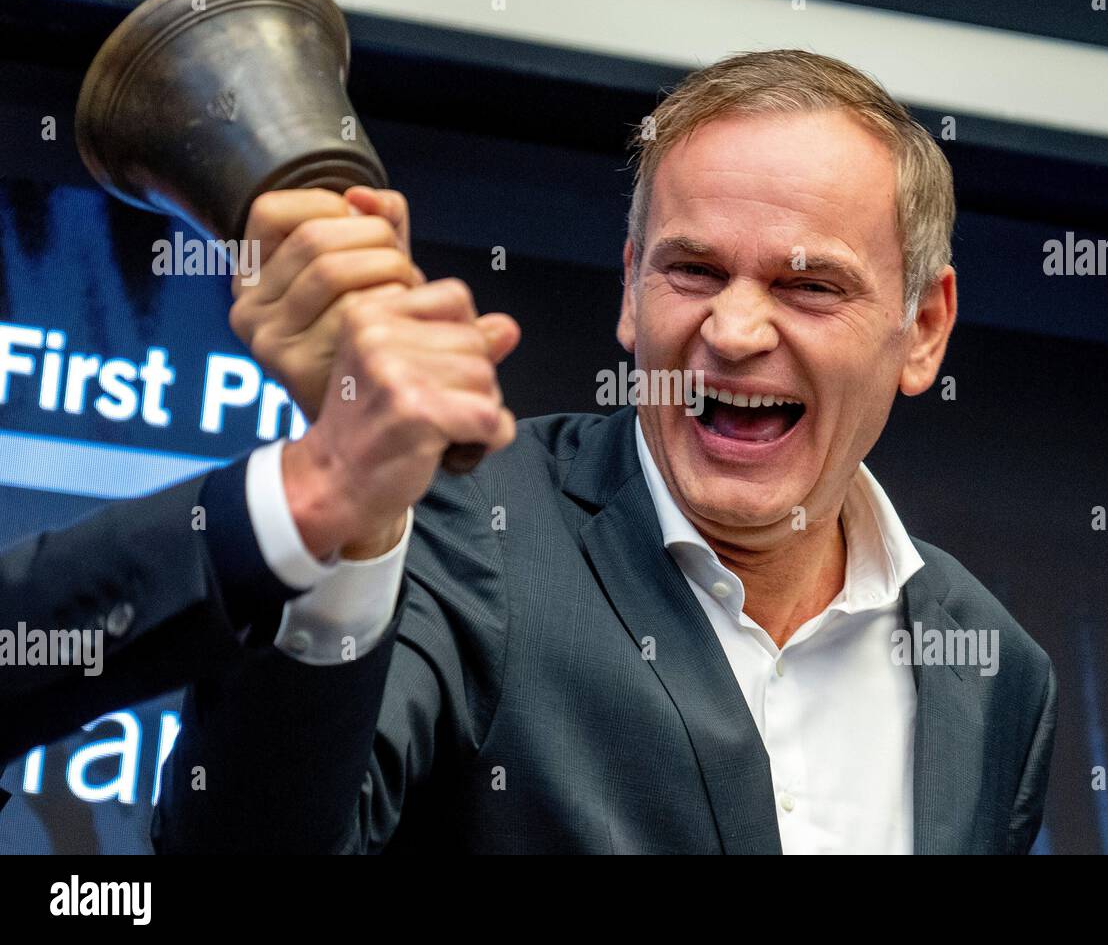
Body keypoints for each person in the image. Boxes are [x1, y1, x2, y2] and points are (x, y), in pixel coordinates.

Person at [135, 48, 1057, 854]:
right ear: (629, 287)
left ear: (924, 328)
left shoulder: (993, 671)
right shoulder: (457, 526)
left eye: (808, 284)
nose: (733, 330)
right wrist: (347, 514)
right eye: (692, 270)